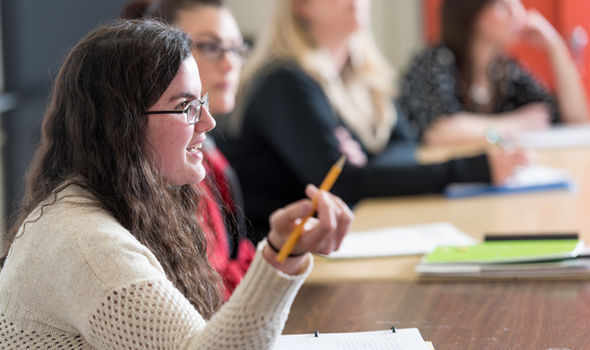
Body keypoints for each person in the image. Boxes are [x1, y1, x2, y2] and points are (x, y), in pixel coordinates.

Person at [0, 19, 352, 348]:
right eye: (186, 107)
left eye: (201, 103)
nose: (208, 122)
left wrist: (283, 253)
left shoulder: (128, 200)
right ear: (120, 125)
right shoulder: (88, 246)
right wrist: (279, 257)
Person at [215, 0, 529, 244]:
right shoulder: (284, 83)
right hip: (284, 259)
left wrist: (367, 167)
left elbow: (406, 147)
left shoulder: (364, 78)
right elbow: (341, 184)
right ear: (301, 5)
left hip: (338, 241)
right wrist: (475, 169)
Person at [122, 0, 255, 299]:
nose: (230, 63)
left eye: (236, 49)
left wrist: (280, 253)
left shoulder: (208, 151)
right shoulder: (166, 163)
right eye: (211, 47)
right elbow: (209, 292)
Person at [398, 0, 589, 146]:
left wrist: (555, 46)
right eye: (502, 4)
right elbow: (439, 131)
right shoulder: (436, 60)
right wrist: (516, 124)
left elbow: (576, 120)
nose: (518, 13)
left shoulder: (503, 70)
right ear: (472, 12)